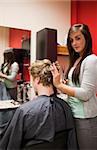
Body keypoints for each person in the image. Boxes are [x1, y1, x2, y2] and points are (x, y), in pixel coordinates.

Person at [0, 59, 78, 150]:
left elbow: (9, 143)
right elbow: (71, 142)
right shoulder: (65, 107)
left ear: (37, 80)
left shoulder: (24, 111)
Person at [51, 23, 97, 149]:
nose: (74, 43)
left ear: (87, 39)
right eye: (71, 40)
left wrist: (59, 85)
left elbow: (86, 94)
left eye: (78, 38)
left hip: (85, 119)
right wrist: (66, 83)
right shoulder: (77, 60)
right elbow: (76, 87)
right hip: (74, 115)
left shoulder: (91, 60)